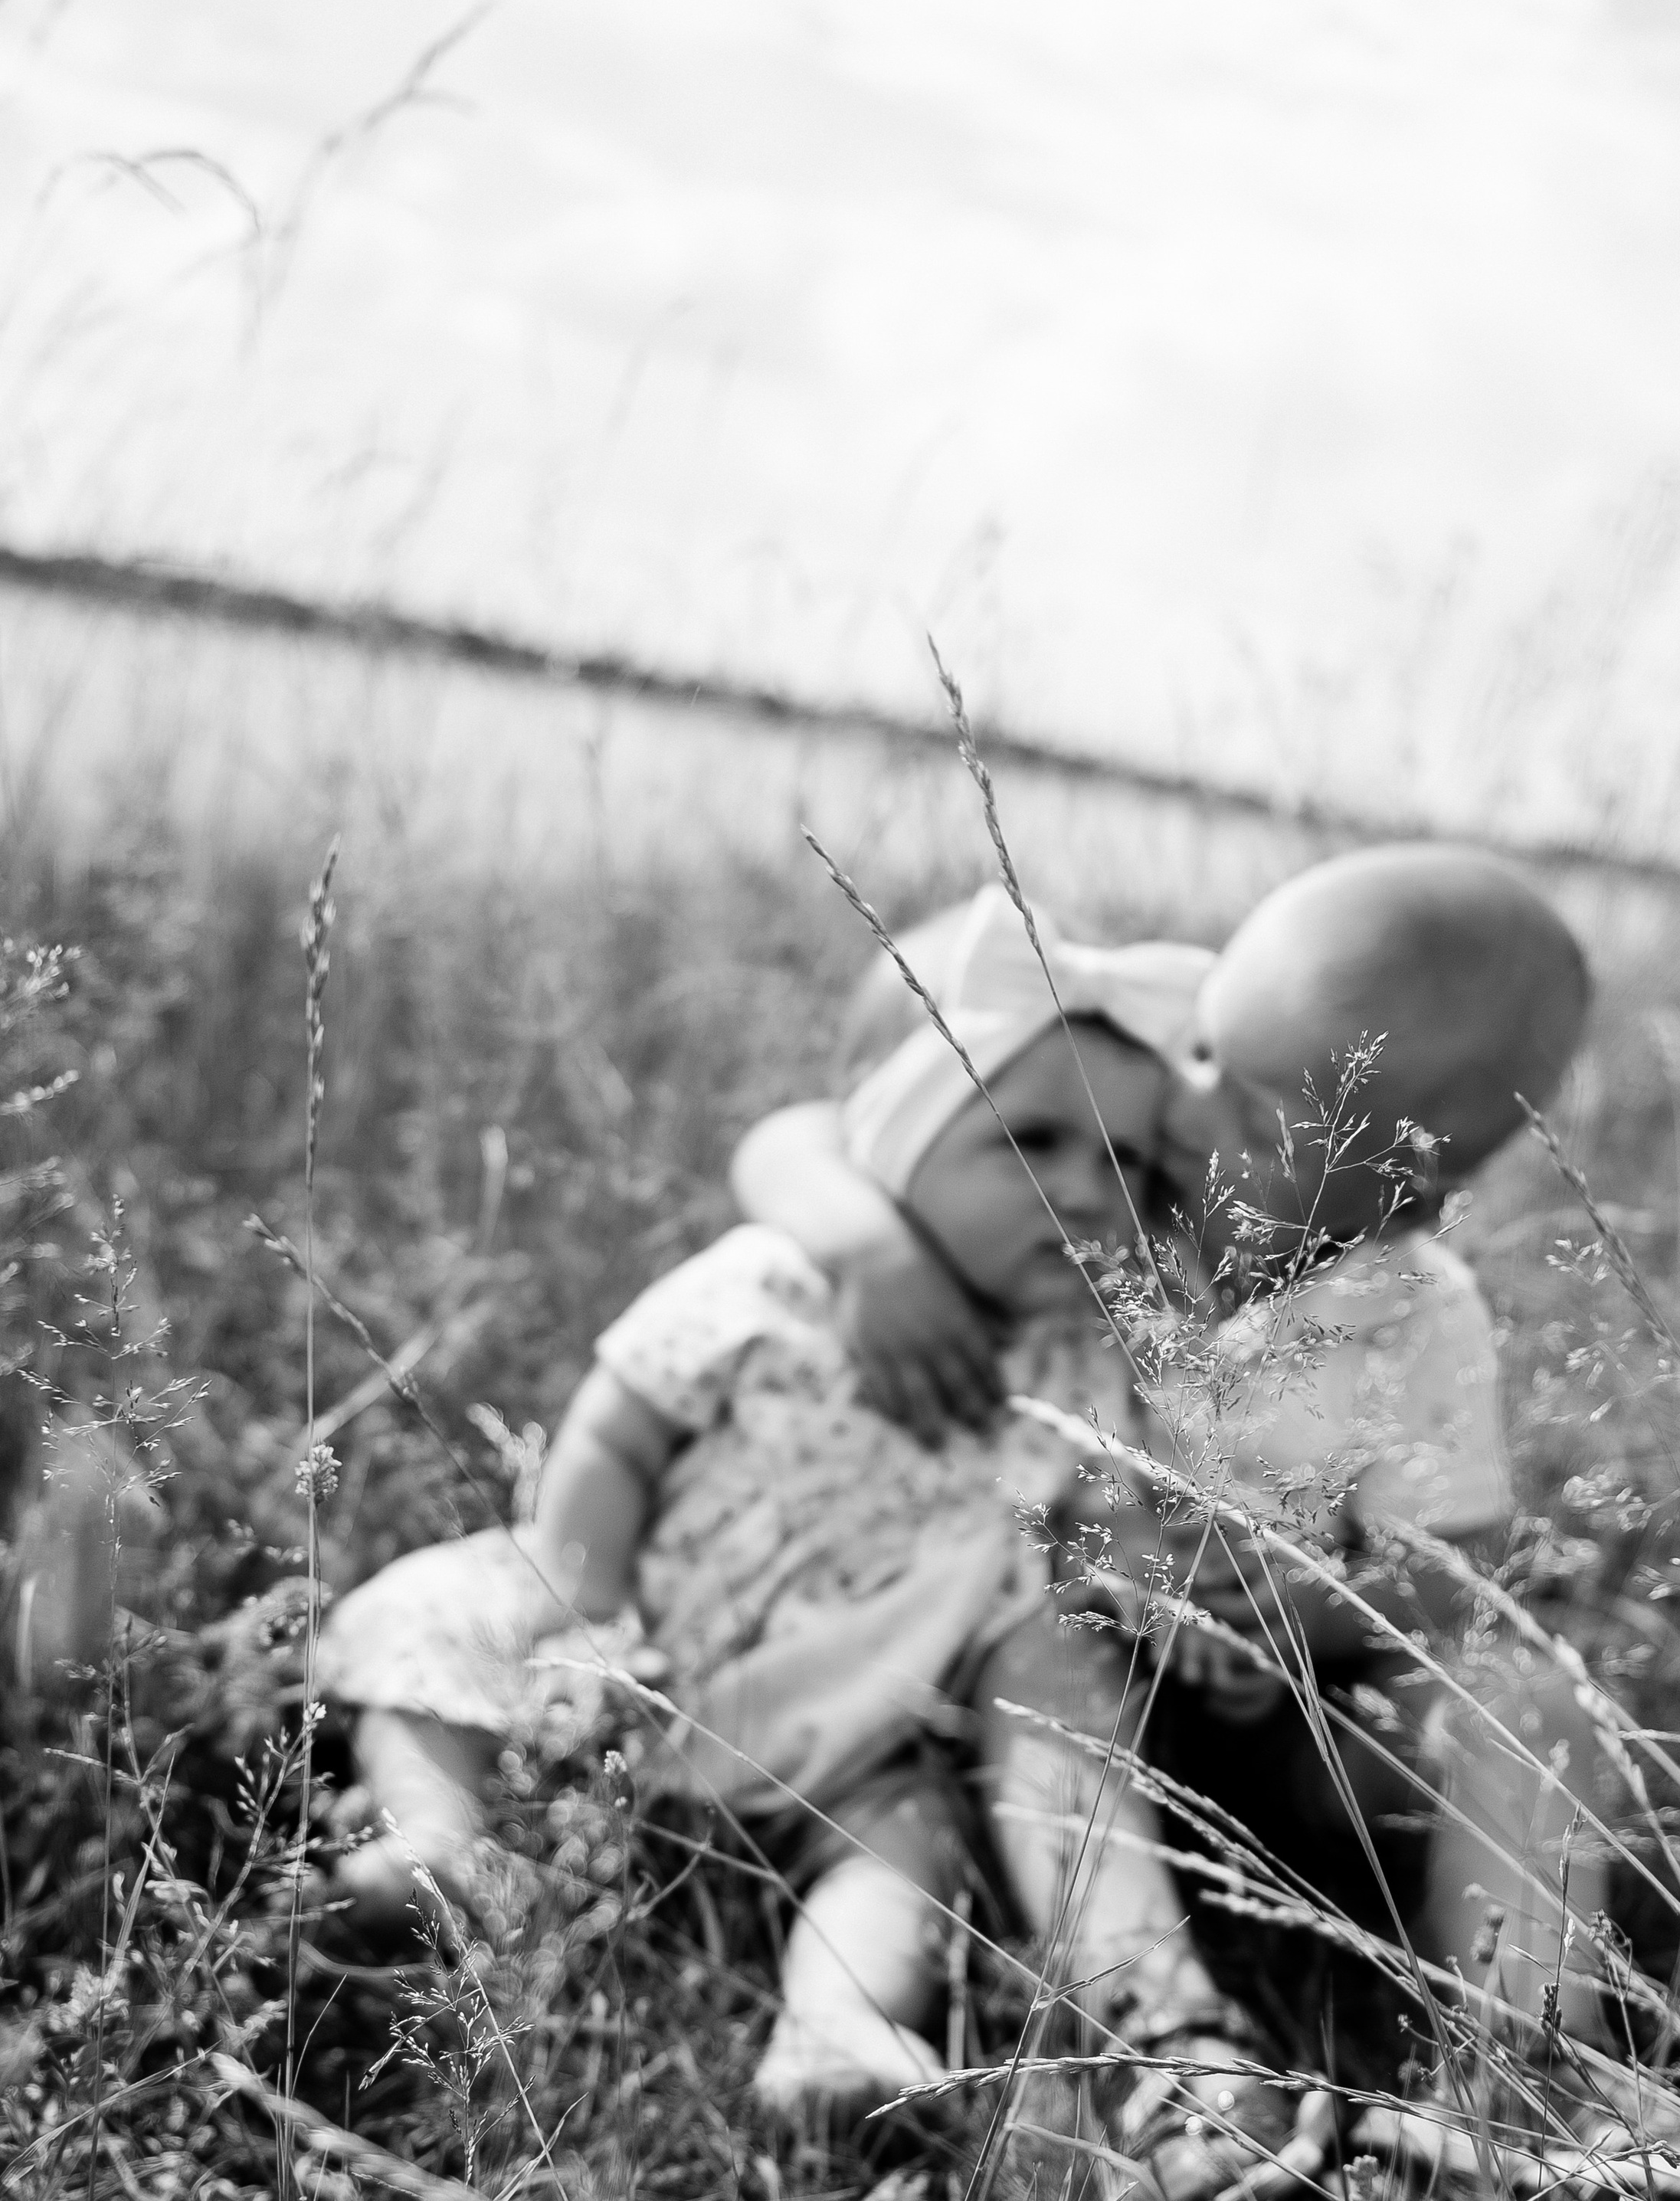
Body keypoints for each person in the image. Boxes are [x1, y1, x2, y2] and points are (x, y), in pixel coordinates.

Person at [730, 845, 1614, 2198]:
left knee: (1524, 1700)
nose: (1190, 1101)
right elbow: (803, 1130)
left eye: (1257, 1111)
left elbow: (1455, 1584)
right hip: (1069, 1684)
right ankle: (1172, 2042)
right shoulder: (1109, 1173)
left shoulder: (1416, 1314)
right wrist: (870, 1249)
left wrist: (1298, 1594)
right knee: (1042, 1664)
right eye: (1202, 1045)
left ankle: (1520, 2076)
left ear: (1413, 1187)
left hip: (1294, 1726)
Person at [317, 891, 1212, 2127]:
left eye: (1126, 1162)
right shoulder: (776, 1281)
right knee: (437, 1621)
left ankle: (836, 2024)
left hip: (842, 1734)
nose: (1089, 1191)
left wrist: (1156, 1577)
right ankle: (434, 1838)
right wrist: (587, 1593)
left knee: (905, 1844)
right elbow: (622, 1418)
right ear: (891, 1142)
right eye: (1034, 1142)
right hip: (644, 1633)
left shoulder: (1077, 1366)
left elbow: (1103, 1536)